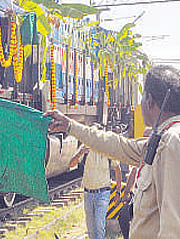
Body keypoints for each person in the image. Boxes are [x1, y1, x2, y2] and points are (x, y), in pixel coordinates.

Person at [44, 65, 180, 239]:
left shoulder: (172, 142)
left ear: (149, 100)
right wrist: (71, 126)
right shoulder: (162, 139)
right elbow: (117, 145)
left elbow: (173, 228)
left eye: (142, 96)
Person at [69, 128, 122, 239]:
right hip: (88, 193)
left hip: (103, 193)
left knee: (99, 225)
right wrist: (80, 153)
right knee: (91, 228)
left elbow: (118, 169)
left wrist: (118, 191)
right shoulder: (85, 148)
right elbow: (71, 165)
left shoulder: (107, 149)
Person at [117, 127, 152, 239]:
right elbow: (133, 174)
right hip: (135, 196)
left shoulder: (157, 155)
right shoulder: (141, 155)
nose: (145, 140)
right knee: (123, 216)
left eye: (148, 137)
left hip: (148, 199)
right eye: (144, 137)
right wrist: (126, 193)